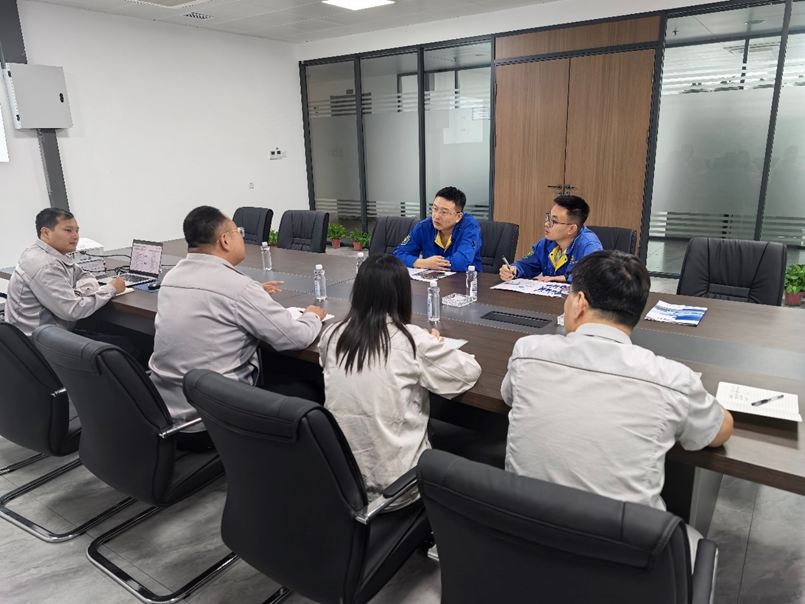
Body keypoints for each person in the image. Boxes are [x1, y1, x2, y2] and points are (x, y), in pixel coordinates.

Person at [501, 250, 733, 554]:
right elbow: (719, 432)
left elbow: (509, 395)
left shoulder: (528, 352)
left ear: (580, 302)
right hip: (624, 555)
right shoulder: (672, 378)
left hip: (524, 539)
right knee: (697, 545)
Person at [149, 206, 326, 451]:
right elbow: (295, 338)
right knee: (311, 390)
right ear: (225, 240)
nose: (241, 237)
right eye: (237, 232)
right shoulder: (238, 288)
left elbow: (214, 297)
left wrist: (251, 296)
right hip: (209, 423)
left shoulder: (172, 276)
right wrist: (312, 316)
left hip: (164, 415)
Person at [319, 253, 481, 503]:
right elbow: (468, 372)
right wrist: (435, 345)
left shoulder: (332, 335)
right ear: (403, 295)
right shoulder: (412, 341)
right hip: (397, 489)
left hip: (340, 481)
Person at [4, 208, 126, 336]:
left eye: (77, 231)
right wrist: (111, 289)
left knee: (106, 327)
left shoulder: (45, 253)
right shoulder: (46, 265)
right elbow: (73, 311)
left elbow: (85, 275)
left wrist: (76, 294)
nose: (75, 236)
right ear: (46, 232)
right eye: (68, 230)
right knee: (127, 343)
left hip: (47, 330)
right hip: (39, 340)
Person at [499, 195, 602, 283]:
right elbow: (528, 264)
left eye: (554, 221)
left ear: (571, 229)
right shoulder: (548, 242)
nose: (546, 224)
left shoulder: (589, 245)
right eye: (548, 218)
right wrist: (513, 270)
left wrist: (564, 278)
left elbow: (594, 276)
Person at [394, 186, 483, 272]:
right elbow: (399, 254)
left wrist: (434, 264)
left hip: (465, 280)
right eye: (435, 209)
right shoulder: (424, 226)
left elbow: (460, 262)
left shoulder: (470, 227)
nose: (436, 216)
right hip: (432, 280)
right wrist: (425, 263)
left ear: (458, 217)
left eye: (444, 212)